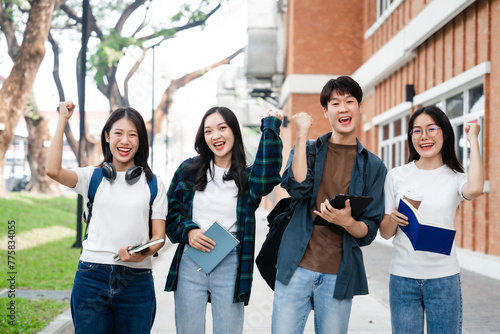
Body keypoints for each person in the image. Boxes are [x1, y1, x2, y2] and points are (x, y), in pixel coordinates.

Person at [272, 76, 387, 334]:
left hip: (339, 275)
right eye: (335, 103)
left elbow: (368, 231)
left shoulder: (373, 166)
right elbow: (297, 186)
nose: (343, 108)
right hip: (295, 267)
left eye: (349, 101)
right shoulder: (309, 150)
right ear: (326, 112)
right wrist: (301, 134)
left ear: (359, 107)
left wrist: (347, 222)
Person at [46, 102, 168, 333]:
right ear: (107, 136)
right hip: (91, 277)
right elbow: (53, 170)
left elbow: (159, 238)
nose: (125, 141)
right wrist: (63, 118)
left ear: (140, 140)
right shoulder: (91, 176)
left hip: (137, 280)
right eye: (118, 133)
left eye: (132, 134)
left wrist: (139, 253)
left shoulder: (154, 184)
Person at [164, 106, 283, 333]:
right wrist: (188, 231)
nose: (215, 136)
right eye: (208, 131)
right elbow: (170, 215)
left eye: (222, 128)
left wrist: (270, 127)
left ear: (234, 132)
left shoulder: (248, 178)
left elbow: (267, 176)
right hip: (192, 260)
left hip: (231, 262)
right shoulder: (188, 170)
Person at [380, 105, 484, 334]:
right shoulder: (396, 176)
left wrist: (473, 139)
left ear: (445, 133)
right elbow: (385, 232)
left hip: (443, 280)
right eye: (417, 131)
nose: (424, 137)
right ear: (411, 138)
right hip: (402, 279)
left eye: (431, 129)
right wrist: (395, 219)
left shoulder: (455, 178)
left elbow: (475, 188)